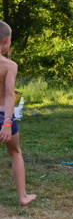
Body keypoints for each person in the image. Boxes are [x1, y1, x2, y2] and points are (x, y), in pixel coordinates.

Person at [0, 21, 36, 206]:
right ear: (6, 41)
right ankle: (23, 196)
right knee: (15, 153)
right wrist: (7, 123)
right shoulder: (9, 65)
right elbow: (9, 95)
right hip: (2, 116)